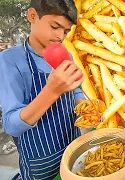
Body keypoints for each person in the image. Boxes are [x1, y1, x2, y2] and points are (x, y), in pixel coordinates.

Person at [0, 0, 85, 179]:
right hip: (40, 161)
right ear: (32, 16)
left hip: (73, 148)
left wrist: (83, 104)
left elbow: (76, 90)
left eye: (66, 31)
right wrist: (52, 91)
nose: (60, 36)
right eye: (55, 26)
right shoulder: (10, 60)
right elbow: (11, 125)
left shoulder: (66, 55)